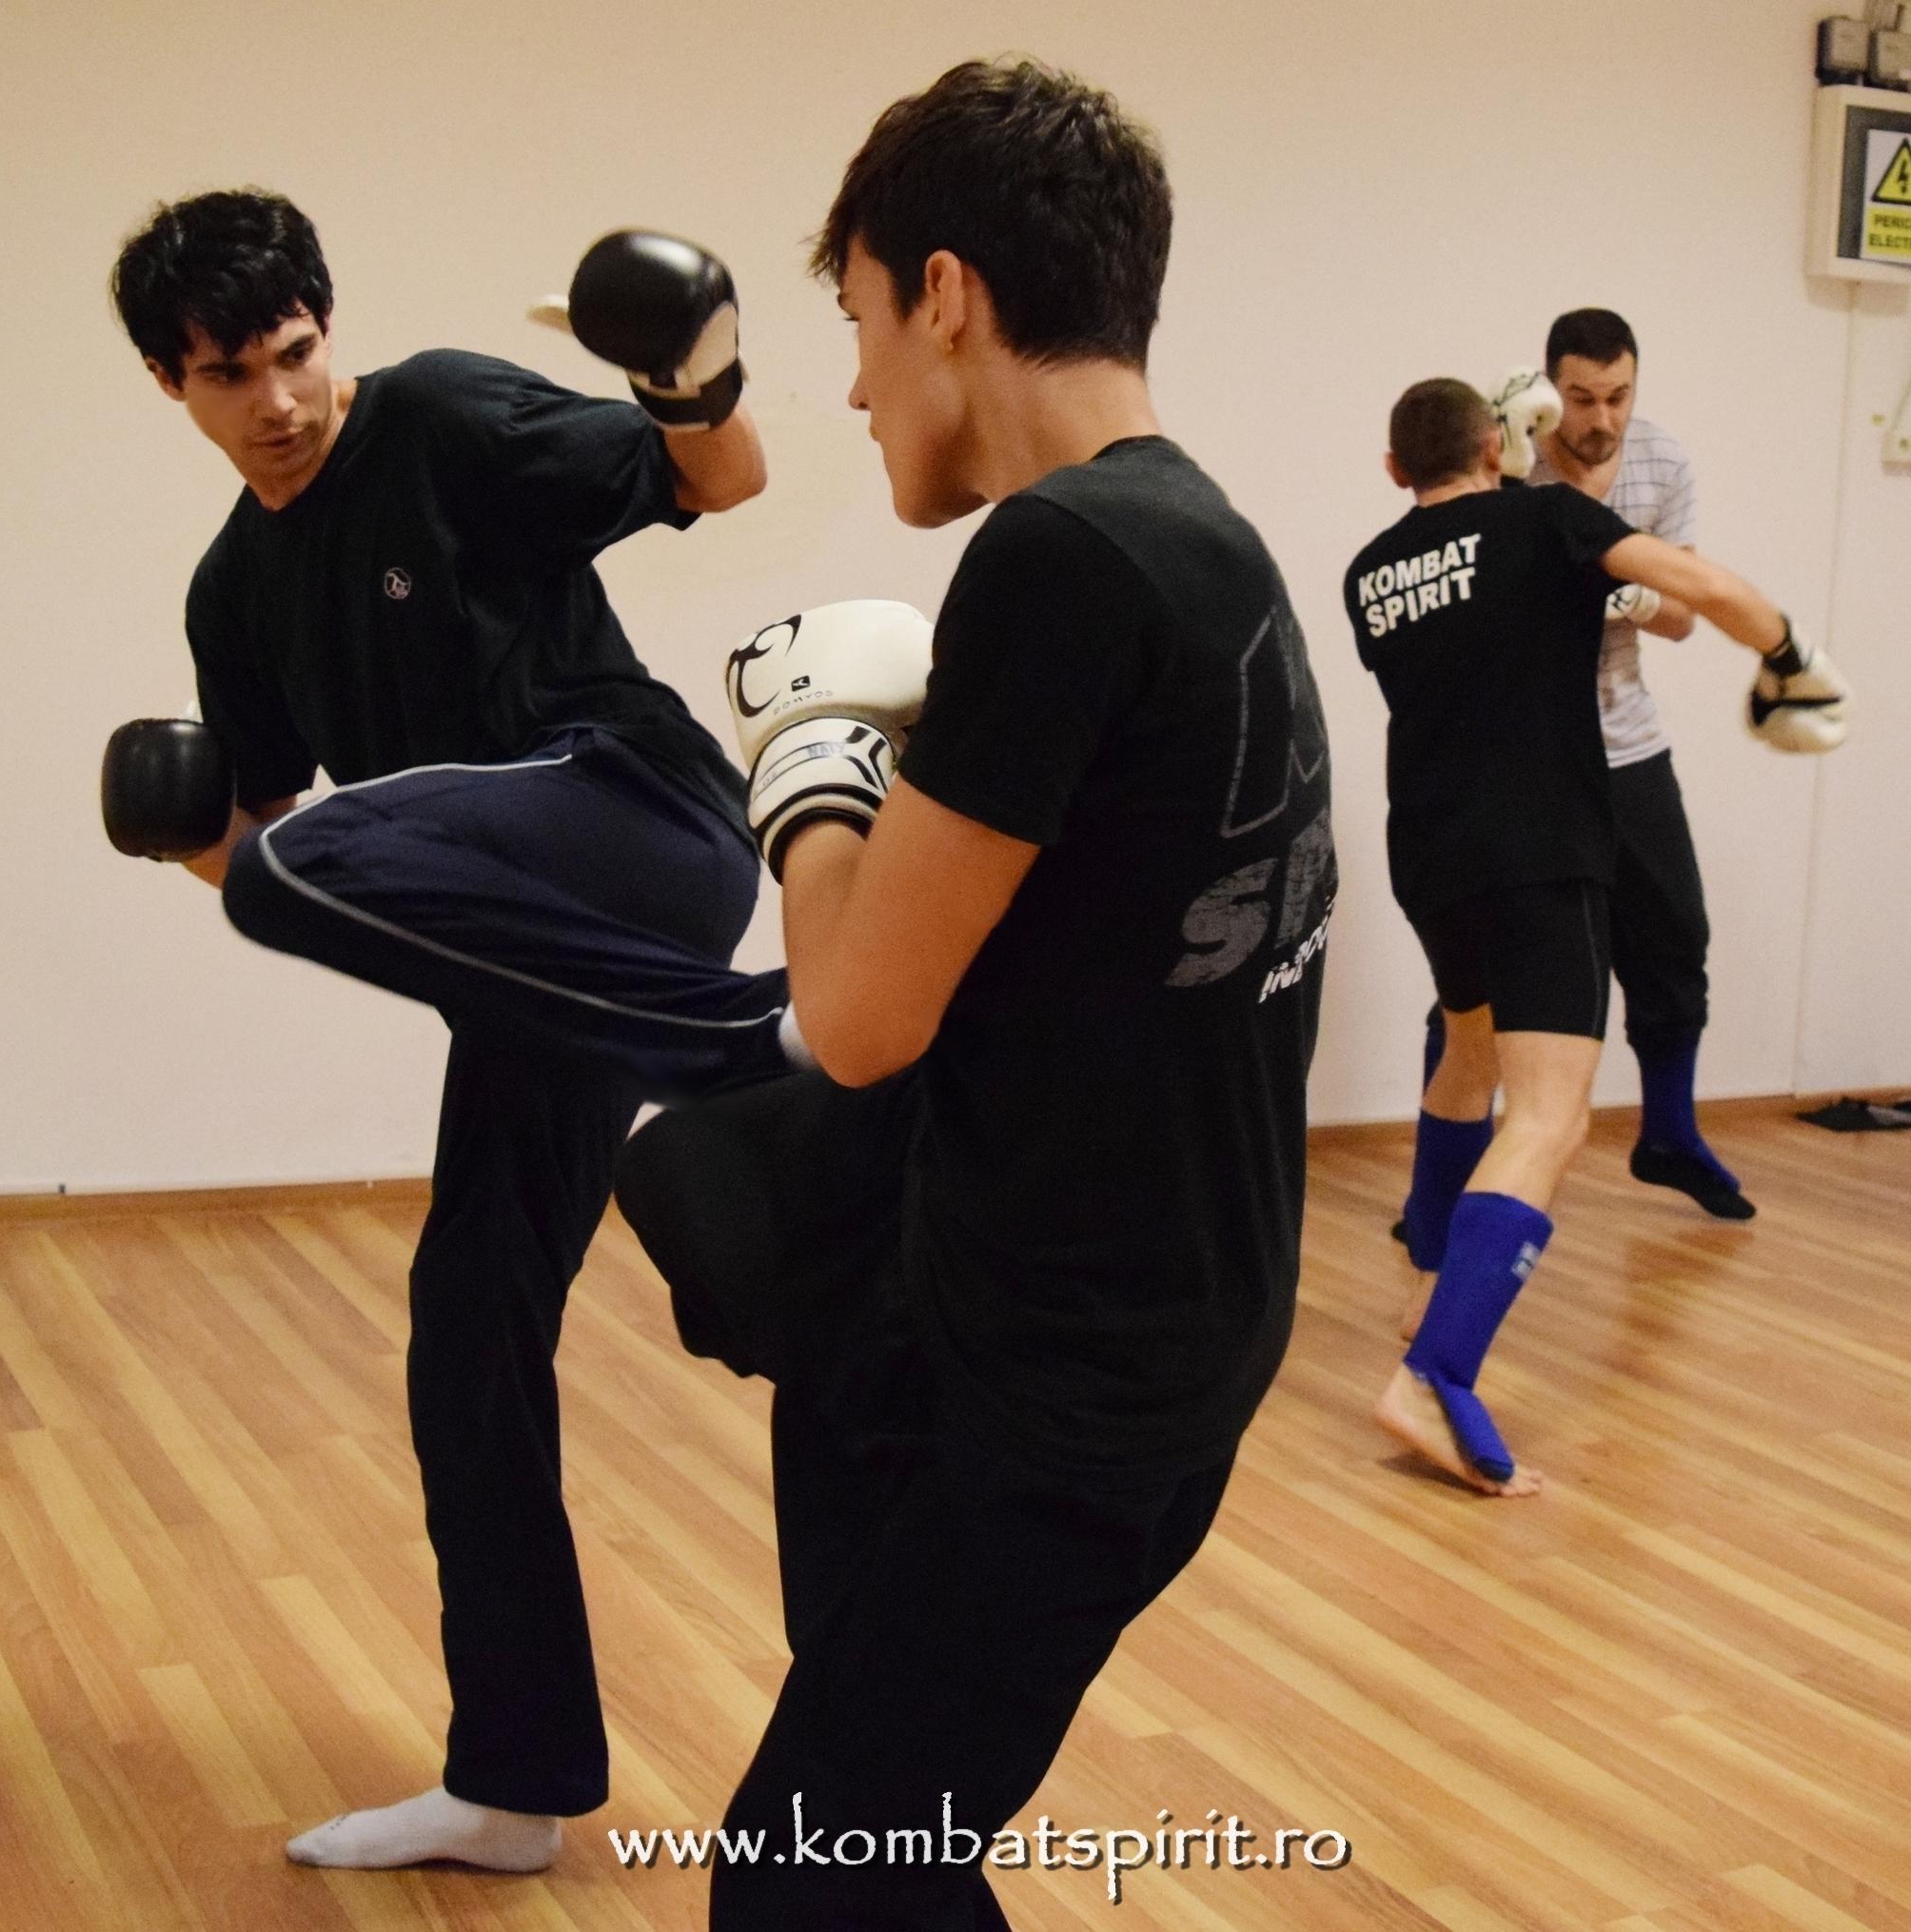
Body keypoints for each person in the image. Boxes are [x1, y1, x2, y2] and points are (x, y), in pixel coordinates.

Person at [615, 57, 1335, 1926]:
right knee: (887, 1847)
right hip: (1106, 1335)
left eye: (858, 322)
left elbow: (859, 1018)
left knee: (802, 1880)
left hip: (1055, 1396)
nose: (856, 389)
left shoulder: (1061, 556)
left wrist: (805, 772)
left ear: (944, 293)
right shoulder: (1204, 542)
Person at [104, 189, 798, 1871]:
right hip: (556, 965)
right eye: (228, 375)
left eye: (293, 352)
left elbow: (721, 478)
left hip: (637, 820)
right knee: (467, 1330)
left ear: (327, 329)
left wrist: (694, 375)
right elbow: (267, 853)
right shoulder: (235, 589)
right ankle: (514, 1782)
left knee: (312, 861)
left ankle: (757, 1046)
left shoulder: (437, 416)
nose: (278, 400)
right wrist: (189, 836)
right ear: (170, 384)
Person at [1347, 377, 1847, 1497]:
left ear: (1394, 470)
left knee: (1466, 1055)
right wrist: (1789, 653)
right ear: (1494, 445)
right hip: (1541, 848)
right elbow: (1696, 585)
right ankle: (1434, 1374)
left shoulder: (1368, 572)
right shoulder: (1544, 518)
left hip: (1428, 853)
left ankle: (1430, 1283)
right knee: (1551, 1115)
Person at [1393, 309, 1753, 1264]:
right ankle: (1441, 1192)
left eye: (1618, 397)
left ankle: (1668, 1133)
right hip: (1522, 760)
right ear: (1550, 389)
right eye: (1583, 399)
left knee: (1673, 938)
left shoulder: (1661, 461)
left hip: (1624, 744)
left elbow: (1681, 613)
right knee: (1475, 987)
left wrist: (1612, 580)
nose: (1602, 419)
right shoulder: (1502, 458)